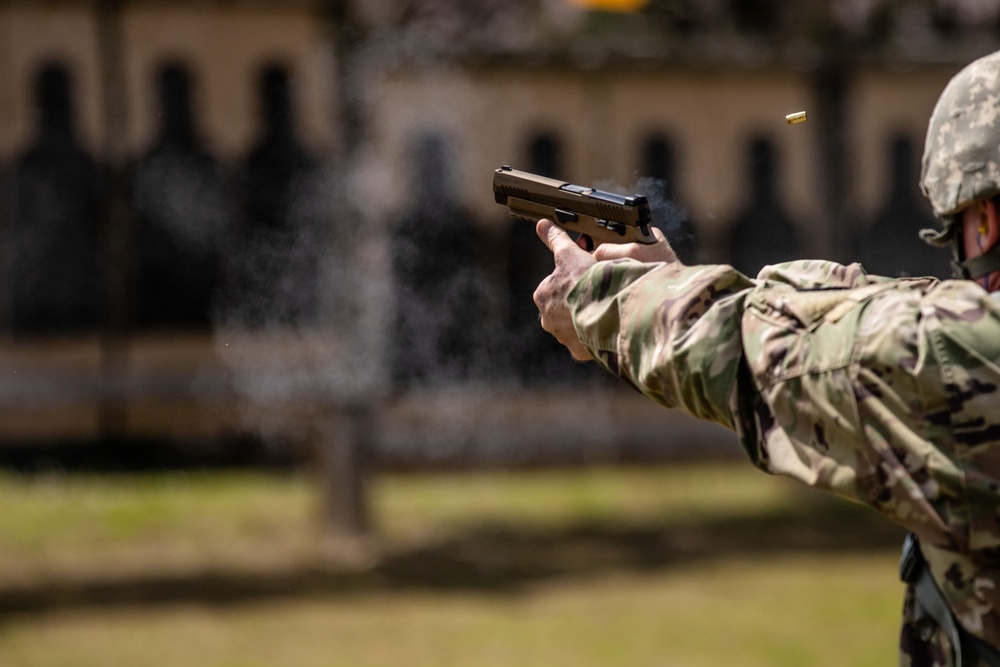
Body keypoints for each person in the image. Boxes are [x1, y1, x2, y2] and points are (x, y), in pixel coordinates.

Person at [532, 50, 1000, 666]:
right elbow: (882, 310)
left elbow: (753, 350)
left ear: (983, 223)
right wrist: (679, 278)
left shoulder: (962, 358)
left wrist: (599, 297)